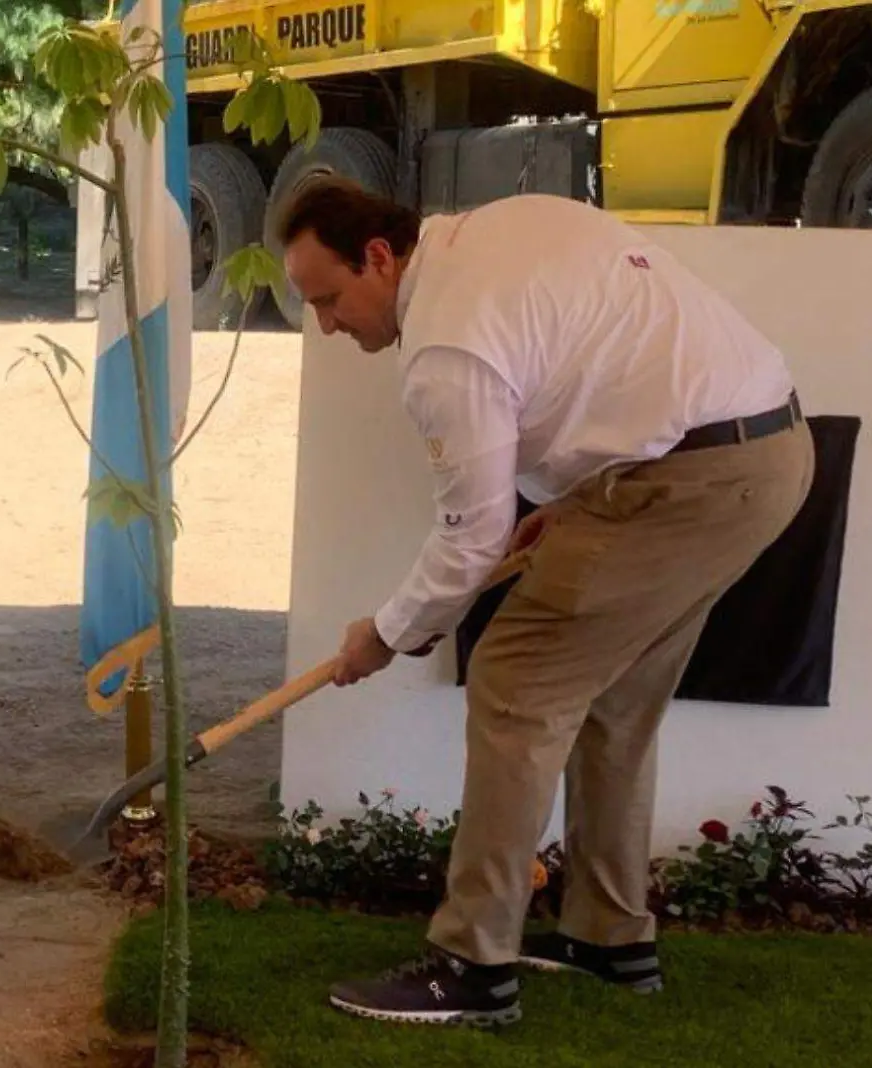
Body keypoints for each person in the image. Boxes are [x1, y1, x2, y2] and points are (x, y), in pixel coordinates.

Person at [278, 181, 813, 1027]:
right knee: (615, 698)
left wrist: (384, 636)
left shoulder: (444, 348)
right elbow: (598, 364)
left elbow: (470, 537)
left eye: (329, 299)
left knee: (516, 681)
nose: (327, 326)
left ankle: (473, 966)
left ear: (379, 257)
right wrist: (566, 502)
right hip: (768, 456)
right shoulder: (503, 228)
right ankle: (609, 938)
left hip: (684, 484)